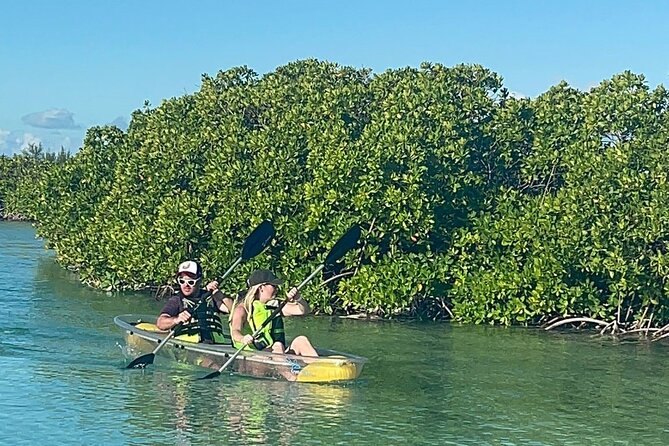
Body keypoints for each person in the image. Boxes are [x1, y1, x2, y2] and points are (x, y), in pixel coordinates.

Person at [230, 269, 318, 357]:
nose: (276, 289)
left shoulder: (276, 306)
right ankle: (287, 368)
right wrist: (243, 338)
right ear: (261, 288)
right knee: (278, 346)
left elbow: (303, 311)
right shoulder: (243, 309)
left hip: (275, 352)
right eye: (274, 286)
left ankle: (320, 367)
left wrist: (298, 299)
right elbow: (235, 331)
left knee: (301, 341)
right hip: (254, 354)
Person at [156, 260, 234, 344]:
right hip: (187, 348)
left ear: (199, 281)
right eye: (182, 281)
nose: (186, 285)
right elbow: (160, 323)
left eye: (190, 282)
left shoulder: (210, 297)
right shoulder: (176, 300)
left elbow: (233, 310)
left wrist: (221, 296)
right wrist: (176, 319)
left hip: (215, 347)